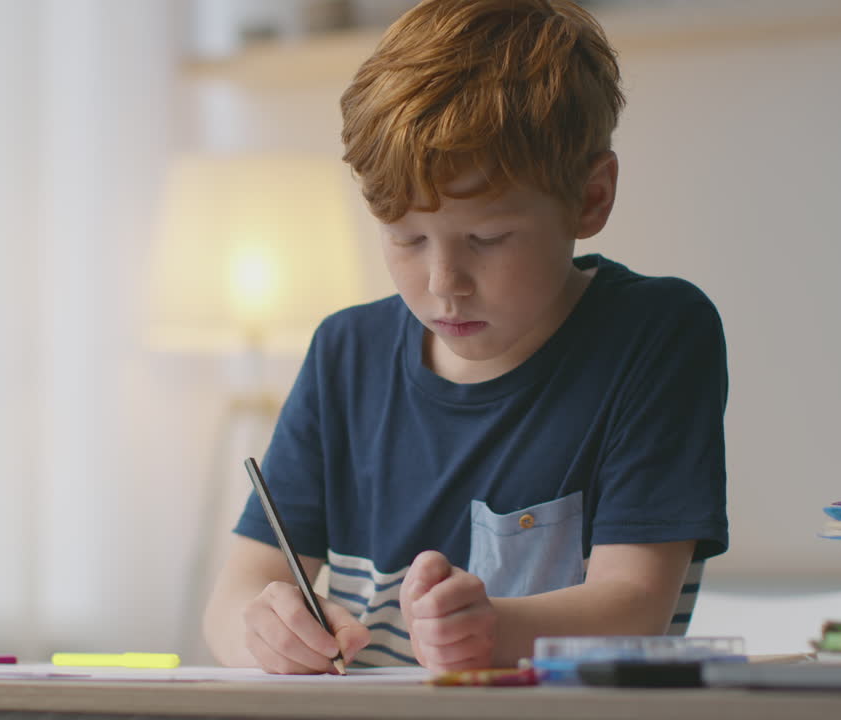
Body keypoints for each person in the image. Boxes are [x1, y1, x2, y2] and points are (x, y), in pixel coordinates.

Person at [202, 0, 728, 674]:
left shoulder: (655, 334)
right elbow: (235, 598)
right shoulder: (345, 353)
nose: (444, 283)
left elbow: (635, 605)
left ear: (591, 198)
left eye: (488, 238)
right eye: (407, 239)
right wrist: (269, 632)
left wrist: (493, 631)